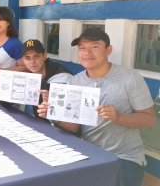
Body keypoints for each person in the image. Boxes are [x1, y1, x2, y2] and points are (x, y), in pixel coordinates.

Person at [37, 28, 157, 186]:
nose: (87, 52)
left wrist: (119, 117)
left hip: (124, 156)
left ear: (109, 50)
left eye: (94, 47)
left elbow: (149, 120)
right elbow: (74, 127)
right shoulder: (75, 82)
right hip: (90, 153)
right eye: (82, 48)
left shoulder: (131, 79)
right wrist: (53, 115)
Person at [21, 39, 72, 118]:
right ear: (23, 60)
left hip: (61, 127)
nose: (32, 62)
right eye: (27, 58)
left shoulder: (62, 77)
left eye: (36, 56)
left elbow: (66, 113)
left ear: (45, 56)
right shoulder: (30, 75)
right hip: (41, 123)